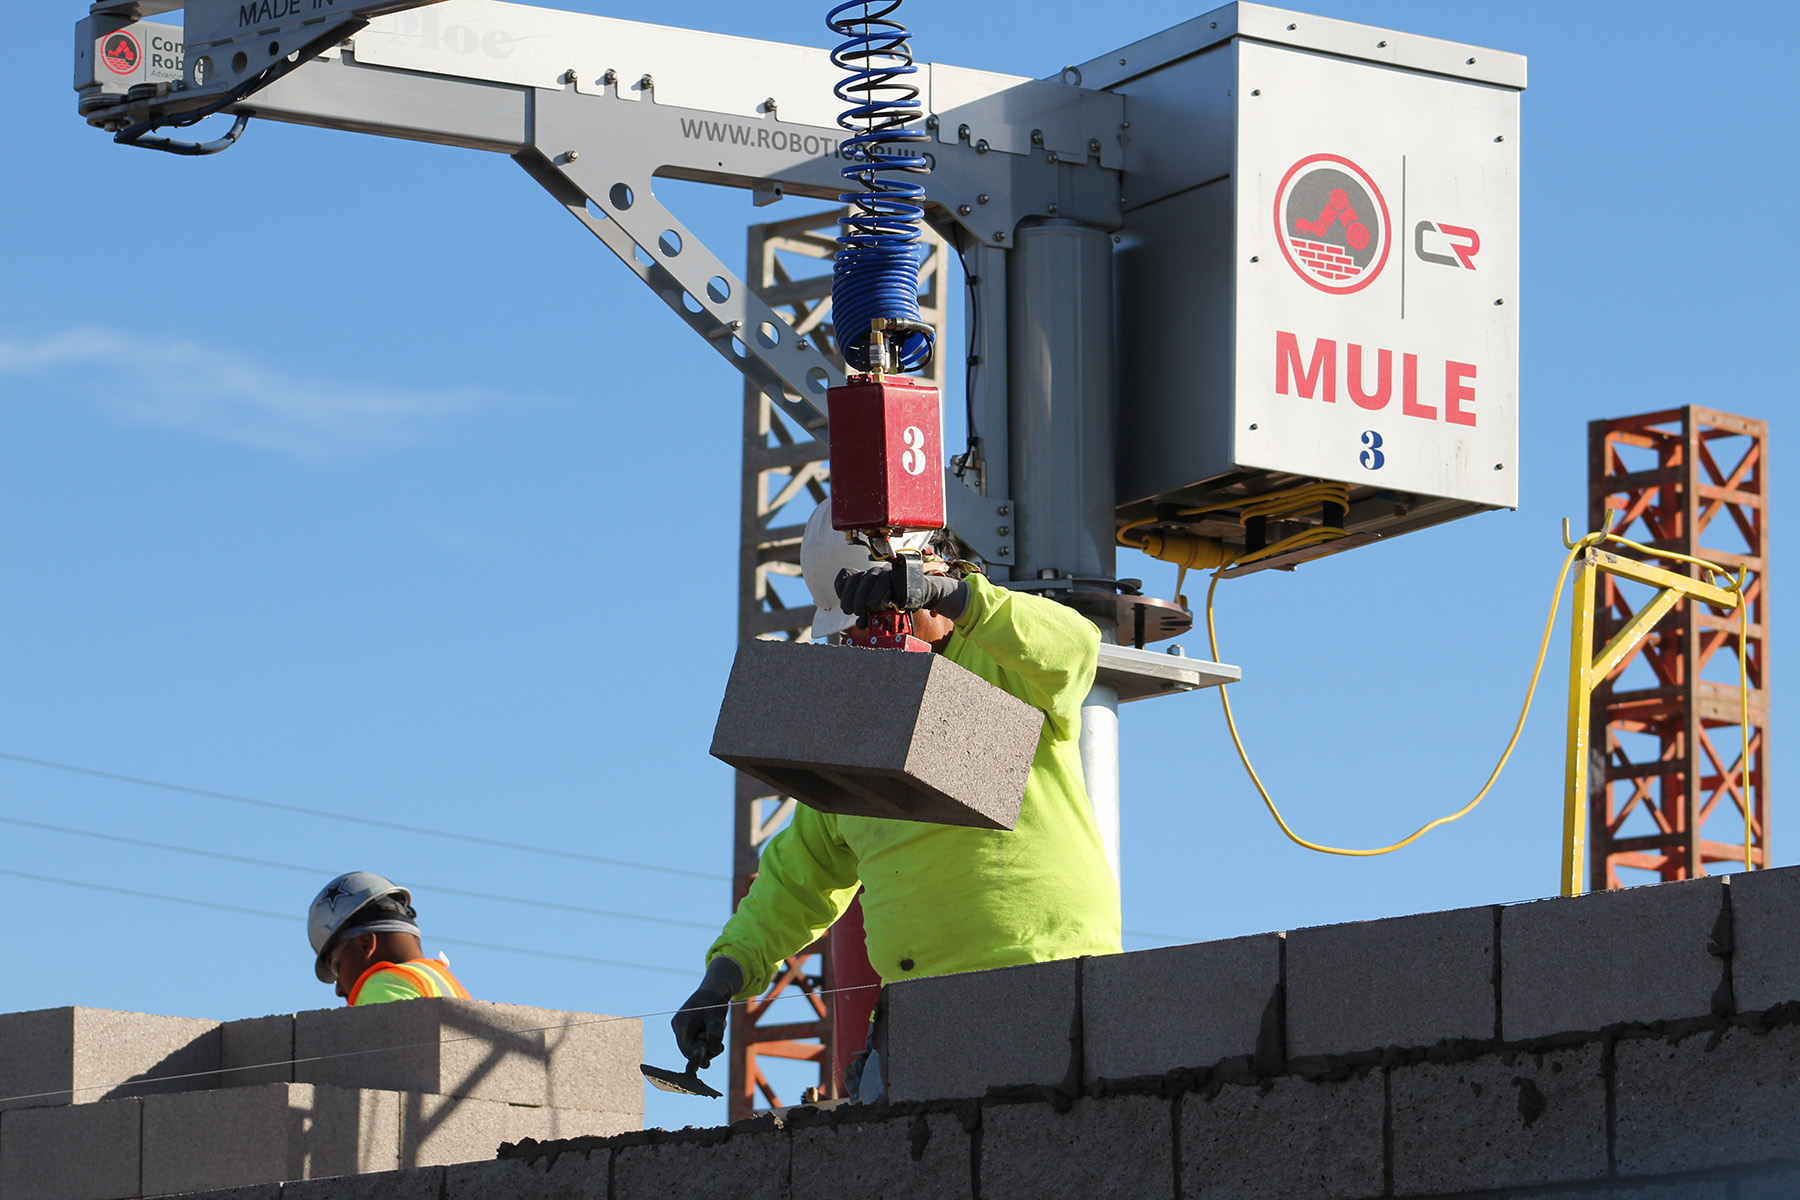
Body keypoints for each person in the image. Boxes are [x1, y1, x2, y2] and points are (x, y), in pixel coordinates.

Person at [672, 500, 1121, 1093]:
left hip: (1056, 977)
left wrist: (955, 596)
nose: (862, 639)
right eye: (852, 627)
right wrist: (721, 980)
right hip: (920, 1010)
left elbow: (1074, 647)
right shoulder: (864, 735)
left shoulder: (1004, 668)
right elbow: (793, 885)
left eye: (871, 615)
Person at [307, 871, 471, 1006]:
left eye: (337, 966)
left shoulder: (381, 985)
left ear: (365, 945)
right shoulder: (448, 983)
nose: (339, 990)